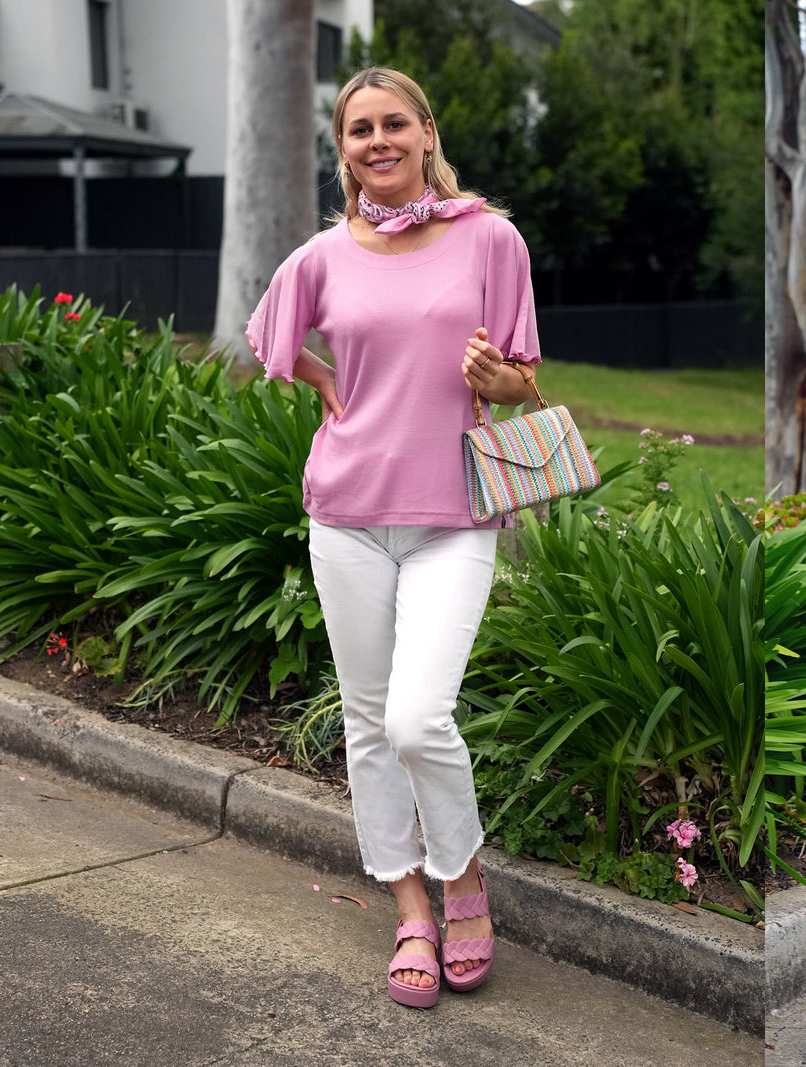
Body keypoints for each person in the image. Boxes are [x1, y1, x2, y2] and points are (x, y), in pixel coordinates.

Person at [245, 66, 539, 1008]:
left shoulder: (489, 237)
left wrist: (496, 379)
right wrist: (317, 373)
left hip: (456, 513)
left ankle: (462, 878)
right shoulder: (322, 257)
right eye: (359, 129)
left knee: (418, 716)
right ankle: (408, 900)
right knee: (369, 721)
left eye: (394, 125)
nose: (379, 141)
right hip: (346, 513)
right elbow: (267, 337)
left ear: (426, 131)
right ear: (343, 150)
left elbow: (526, 380)